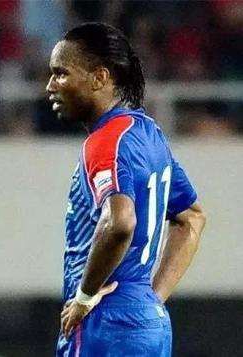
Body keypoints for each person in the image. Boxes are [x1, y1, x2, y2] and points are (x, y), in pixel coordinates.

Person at [45, 23, 206, 356]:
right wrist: (150, 300)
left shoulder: (105, 140)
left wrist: (84, 297)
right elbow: (191, 218)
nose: (50, 86)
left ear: (100, 78)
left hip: (104, 321)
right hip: (149, 322)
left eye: (61, 74)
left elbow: (119, 222)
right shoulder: (150, 135)